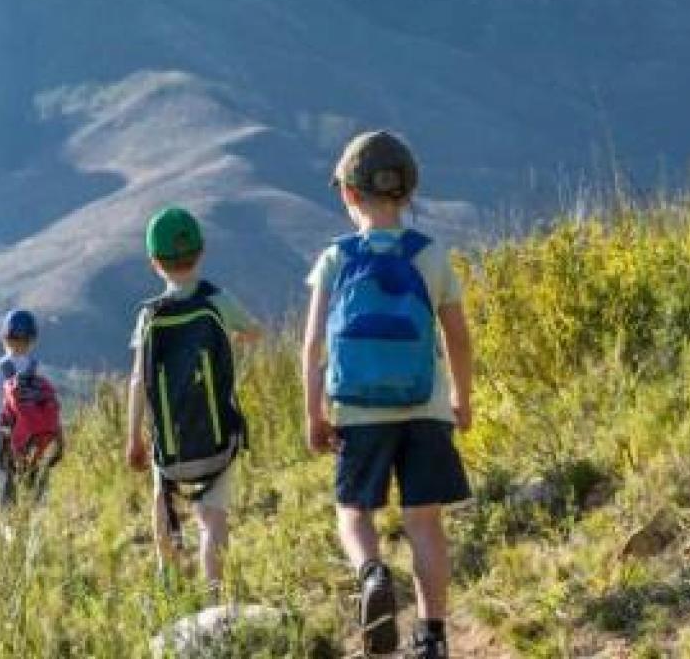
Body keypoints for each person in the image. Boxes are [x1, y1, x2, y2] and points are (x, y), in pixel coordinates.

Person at [302, 131, 474, 659]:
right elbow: (458, 338)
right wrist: (462, 399)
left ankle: (372, 572)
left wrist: (314, 413)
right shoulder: (431, 255)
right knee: (424, 522)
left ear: (349, 194)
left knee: (353, 511)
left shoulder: (335, 258)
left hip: (358, 411)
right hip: (425, 408)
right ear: (409, 192)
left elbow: (312, 345)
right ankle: (432, 636)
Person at [126, 206, 261, 597]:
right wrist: (234, 339)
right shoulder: (216, 300)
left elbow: (138, 380)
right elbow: (255, 332)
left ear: (154, 262)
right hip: (219, 440)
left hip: (169, 446)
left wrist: (134, 438)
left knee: (162, 502)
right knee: (212, 518)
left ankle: (168, 580)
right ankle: (214, 593)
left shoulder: (150, 316)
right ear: (201, 252)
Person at [0, 309, 63, 509]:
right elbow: (52, 410)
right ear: (33, 340)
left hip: (2, 445)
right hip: (37, 445)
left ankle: (10, 529)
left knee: (6, 508)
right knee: (36, 505)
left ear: (2, 338)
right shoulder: (40, 371)